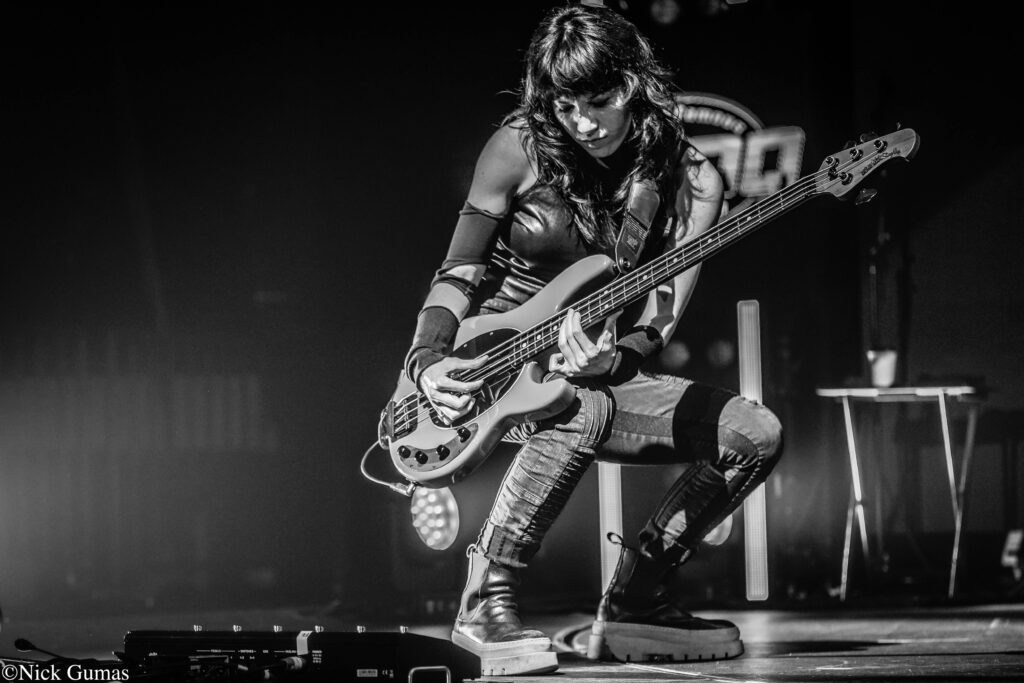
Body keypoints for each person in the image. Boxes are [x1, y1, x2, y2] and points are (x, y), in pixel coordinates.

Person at [401, 3, 783, 675]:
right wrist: (428, 359)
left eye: (599, 102)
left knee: (753, 435)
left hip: (595, 372)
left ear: (634, 83)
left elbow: (660, 317)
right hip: (490, 372)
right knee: (576, 404)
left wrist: (616, 355)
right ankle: (485, 598)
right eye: (565, 105)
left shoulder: (692, 181)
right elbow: (459, 271)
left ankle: (638, 600)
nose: (582, 123)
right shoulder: (517, 146)